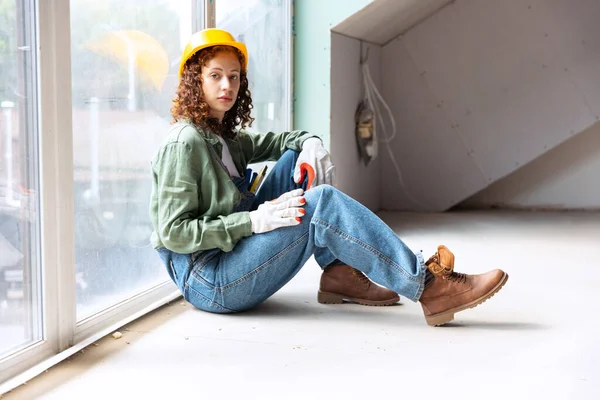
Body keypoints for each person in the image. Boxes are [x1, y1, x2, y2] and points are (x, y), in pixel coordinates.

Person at [149, 29, 508, 326]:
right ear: (195, 81)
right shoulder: (185, 144)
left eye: (234, 76)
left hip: (232, 254)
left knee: (295, 160)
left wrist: (312, 145)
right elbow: (173, 233)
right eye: (215, 75)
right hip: (211, 279)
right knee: (321, 203)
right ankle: (428, 287)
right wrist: (252, 222)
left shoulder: (224, 136)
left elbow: (285, 141)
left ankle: (337, 273)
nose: (227, 85)